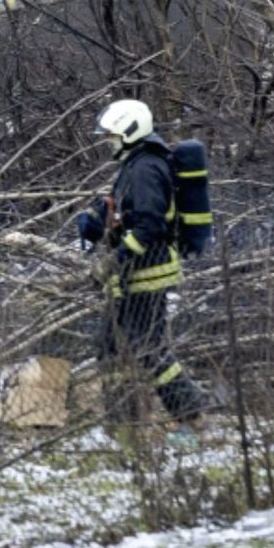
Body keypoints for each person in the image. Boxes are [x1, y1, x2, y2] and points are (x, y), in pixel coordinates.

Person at [76, 99, 205, 447]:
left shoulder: (145, 168)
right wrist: (100, 220)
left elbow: (149, 225)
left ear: (130, 132)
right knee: (109, 345)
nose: (109, 143)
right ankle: (123, 423)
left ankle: (190, 415)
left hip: (148, 274)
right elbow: (130, 216)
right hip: (131, 276)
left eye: (112, 136)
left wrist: (113, 260)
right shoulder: (135, 165)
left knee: (149, 348)